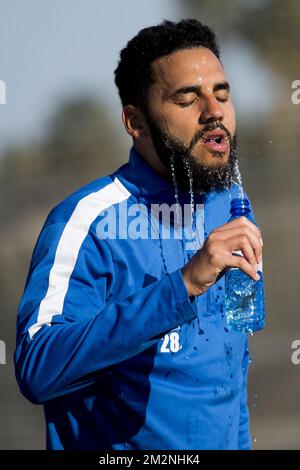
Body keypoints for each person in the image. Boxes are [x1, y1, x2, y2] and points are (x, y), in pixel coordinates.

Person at [14, 19, 263, 450]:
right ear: (135, 121)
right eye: (187, 99)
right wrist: (183, 286)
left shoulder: (231, 206)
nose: (214, 111)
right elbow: (37, 367)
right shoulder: (86, 222)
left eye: (222, 94)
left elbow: (228, 373)